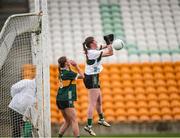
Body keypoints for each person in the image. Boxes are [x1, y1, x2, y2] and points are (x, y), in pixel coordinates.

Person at [82, 34, 114, 136]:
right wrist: (109, 43)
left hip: (94, 77)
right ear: (91, 44)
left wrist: (109, 42)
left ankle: (101, 119)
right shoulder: (93, 52)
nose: (97, 42)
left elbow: (106, 48)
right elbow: (111, 52)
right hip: (91, 78)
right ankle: (88, 126)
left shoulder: (93, 50)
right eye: (95, 41)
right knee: (92, 103)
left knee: (99, 100)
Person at [56, 56, 84, 138]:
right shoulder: (68, 74)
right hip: (67, 98)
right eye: (68, 60)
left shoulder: (62, 72)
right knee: (74, 120)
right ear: (65, 63)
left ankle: (59, 136)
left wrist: (71, 66)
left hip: (59, 99)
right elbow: (82, 76)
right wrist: (76, 66)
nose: (69, 60)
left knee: (67, 121)